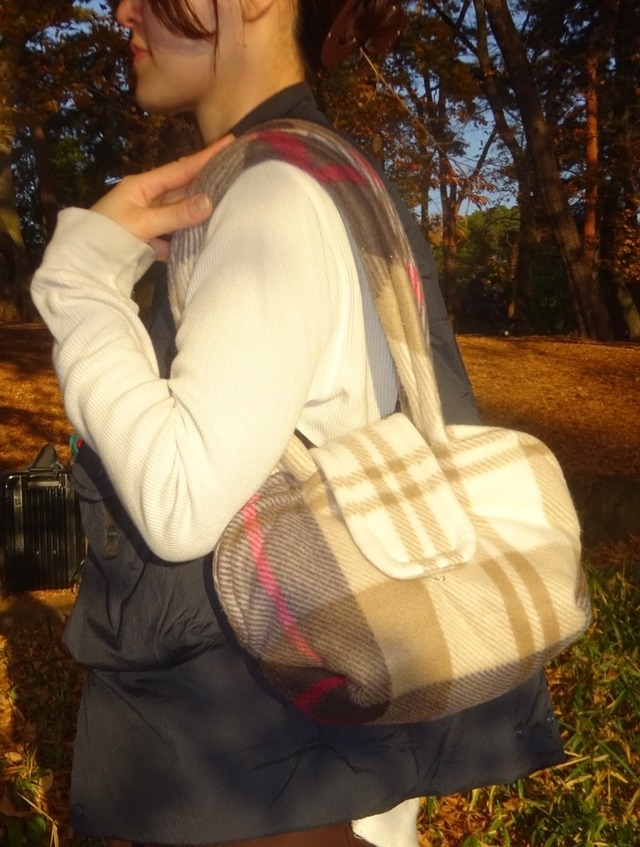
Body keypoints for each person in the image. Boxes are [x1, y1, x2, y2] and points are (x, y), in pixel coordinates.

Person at [31, 0, 566, 845]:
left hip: (273, 778)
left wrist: (79, 283)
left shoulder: (272, 194)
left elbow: (179, 501)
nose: (124, 9)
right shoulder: (315, 174)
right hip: (322, 758)